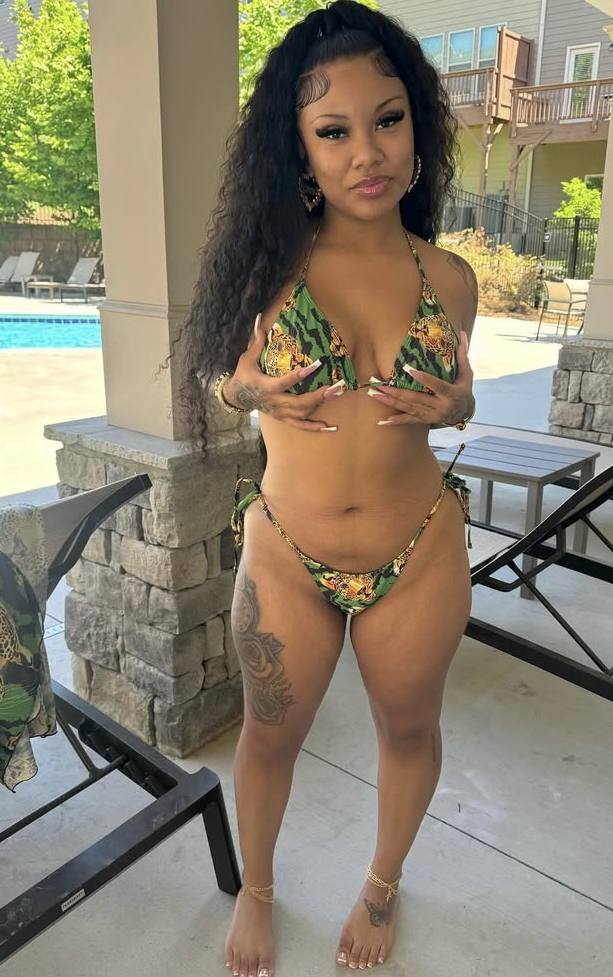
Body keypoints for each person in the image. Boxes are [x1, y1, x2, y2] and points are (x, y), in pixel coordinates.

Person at [170, 3, 478, 976]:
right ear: (300, 149)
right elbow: (226, 383)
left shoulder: (450, 278)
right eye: (333, 131)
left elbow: (454, 395)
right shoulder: (267, 267)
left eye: (386, 119)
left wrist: (461, 403)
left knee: (410, 728)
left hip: (416, 546)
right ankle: (257, 891)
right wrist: (244, 392)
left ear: (415, 126)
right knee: (268, 736)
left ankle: (380, 884)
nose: (366, 152)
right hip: (289, 553)